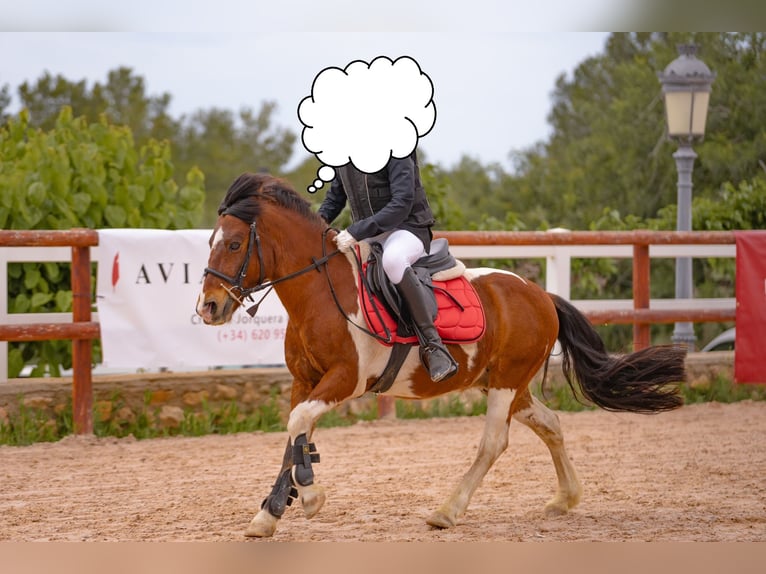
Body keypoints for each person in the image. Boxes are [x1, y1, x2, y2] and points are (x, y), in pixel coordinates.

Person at [317, 150, 458, 383]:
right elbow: (334, 199)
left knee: (392, 260)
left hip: (407, 229)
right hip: (370, 235)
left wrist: (357, 231)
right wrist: (315, 227)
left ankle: (434, 346)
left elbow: (402, 203)